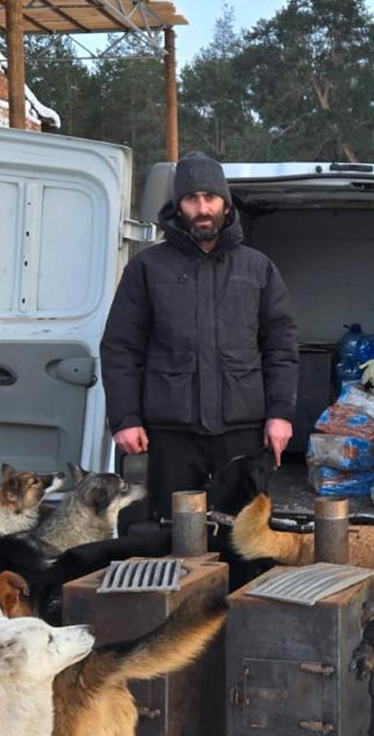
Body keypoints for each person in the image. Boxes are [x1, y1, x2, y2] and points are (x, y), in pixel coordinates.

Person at [101, 151, 299, 521]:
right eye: (192, 199)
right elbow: (121, 349)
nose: (202, 207)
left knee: (244, 534)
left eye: (210, 197)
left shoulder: (258, 269)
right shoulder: (147, 268)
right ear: (179, 206)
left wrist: (281, 414)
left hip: (243, 430)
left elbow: (280, 348)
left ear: (226, 204)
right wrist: (125, 418)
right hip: (170, 434)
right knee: (169, 533)